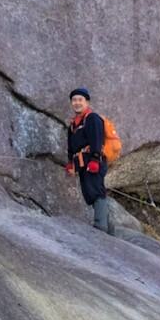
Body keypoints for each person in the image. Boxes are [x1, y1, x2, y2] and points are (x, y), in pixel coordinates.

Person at [65, 87, 114, 235]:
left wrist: (95, 159)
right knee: (89, 191)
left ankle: (101, 226)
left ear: (87, 102)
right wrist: (70, 163)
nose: (77, 103)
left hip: (94, 161)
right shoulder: (74, 125)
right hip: (82, 163)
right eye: (74, 100)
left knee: (95, 190)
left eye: (80, 100)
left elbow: (97, 140)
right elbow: (71, 146)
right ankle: (109, 229)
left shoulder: (92, 118)